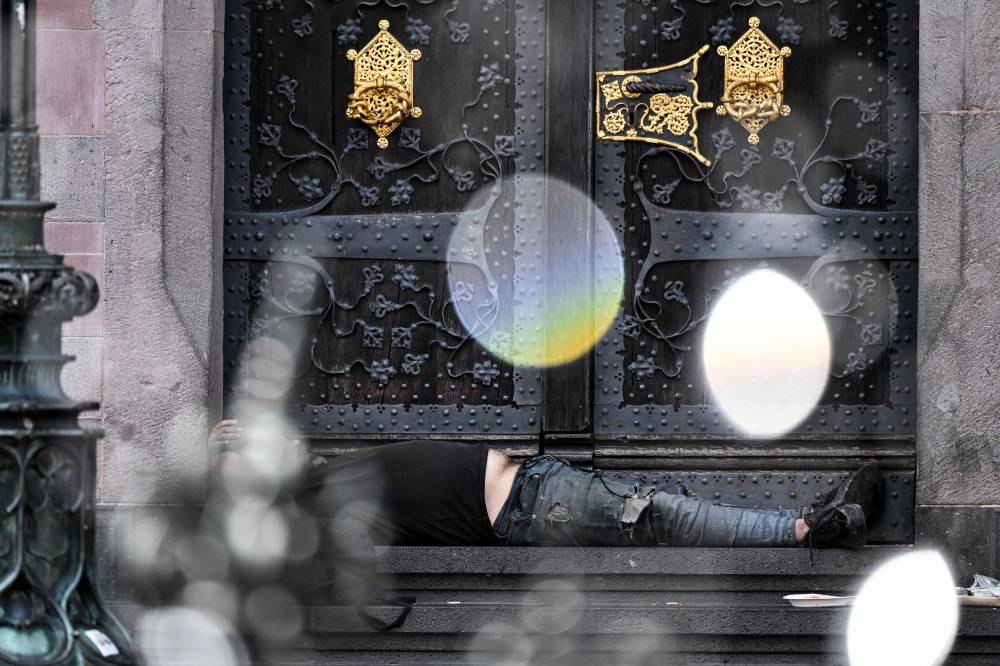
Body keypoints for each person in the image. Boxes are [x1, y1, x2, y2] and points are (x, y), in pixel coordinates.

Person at [209, 420, 882, 552]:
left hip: (538, 484)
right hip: (533, 507)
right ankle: (802, 530)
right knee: (667, 515)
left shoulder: (322, 478)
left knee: (662, 513)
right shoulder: (303, 508)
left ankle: (806, 520)